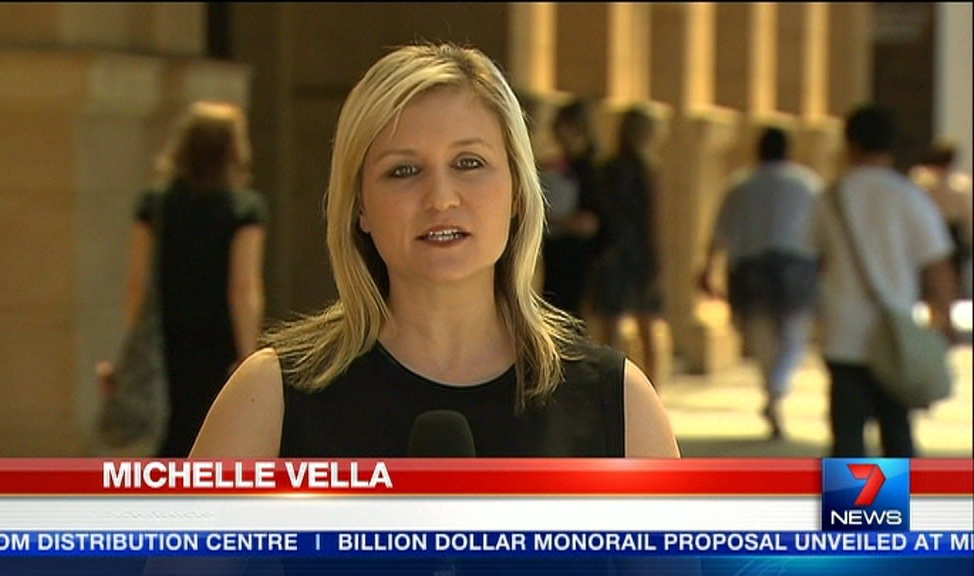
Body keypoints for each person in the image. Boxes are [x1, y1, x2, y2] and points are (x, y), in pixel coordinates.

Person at [188, 43, 679, 460]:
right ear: (359, 207)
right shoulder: (270, 398)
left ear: (517, 191)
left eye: (469, 163)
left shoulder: (618, 404)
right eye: (403, 170)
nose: (441, 199)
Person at [98, 101, 269, 458]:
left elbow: (138, 280)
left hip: (169, 337)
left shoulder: (156, 203)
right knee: (213, 437)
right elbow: (243, 287)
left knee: (172, 438)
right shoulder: (243, 209)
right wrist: (247, 355)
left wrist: (136, 345)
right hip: (218, 341)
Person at [805, 104, 957, 457]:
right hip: (895, 336)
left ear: (850, 144)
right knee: (897, 434)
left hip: (844, 334)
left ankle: (851, 497)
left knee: (847, 439)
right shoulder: (909, 197)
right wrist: (944, 320)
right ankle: (894, 496)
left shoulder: (829, 199)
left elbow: (813, 259)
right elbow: (937, 267)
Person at [699, 127, 822, 439]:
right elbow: (823, 231)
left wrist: (708, 267)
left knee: (760, 333)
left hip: (750, 267)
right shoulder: (807, 184)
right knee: (794, 334)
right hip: (797, 265)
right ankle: (777, 388)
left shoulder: (741, 184)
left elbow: (721, 230)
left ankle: (772, 387)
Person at [590, 106, 665, 385]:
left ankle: (611, 389)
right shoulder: (648, 171)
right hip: (639, 254)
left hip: (611, 252)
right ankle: (652, 392)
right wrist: (659, 263)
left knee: (611, 330)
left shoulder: (606, 169)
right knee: (648, 328)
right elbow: (653, 222)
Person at [540, 99, 607, 319]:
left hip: (578, 259)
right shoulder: (561, 165)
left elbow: (590, 224)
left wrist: (550, 218)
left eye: (560, 125)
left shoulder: (591, 170)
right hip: (557, 254)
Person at [909, 139, 974, 300]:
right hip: (950, 230)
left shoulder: (918, 180)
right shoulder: (959, 184)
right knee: (951, 273)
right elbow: (968, 213)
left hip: (932, 228)